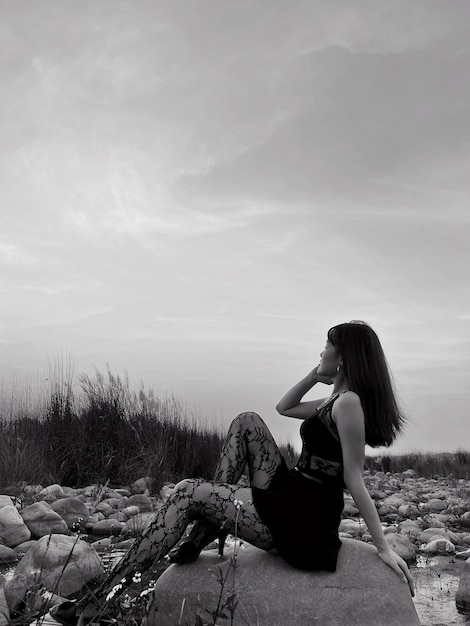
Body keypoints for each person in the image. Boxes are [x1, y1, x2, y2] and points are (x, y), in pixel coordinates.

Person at [53, 320, 414, 624]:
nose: (320, 353)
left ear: (345, 356)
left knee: (188, 492)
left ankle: (101, 602)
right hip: (293, 492)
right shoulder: (334, 400)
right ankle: (203, 530)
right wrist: (314, 375)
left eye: (326, 348)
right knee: (248, 421)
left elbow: (354, 478)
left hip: (305, 517)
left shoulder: (349, 404)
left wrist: (382, 547)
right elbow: (284, 407)